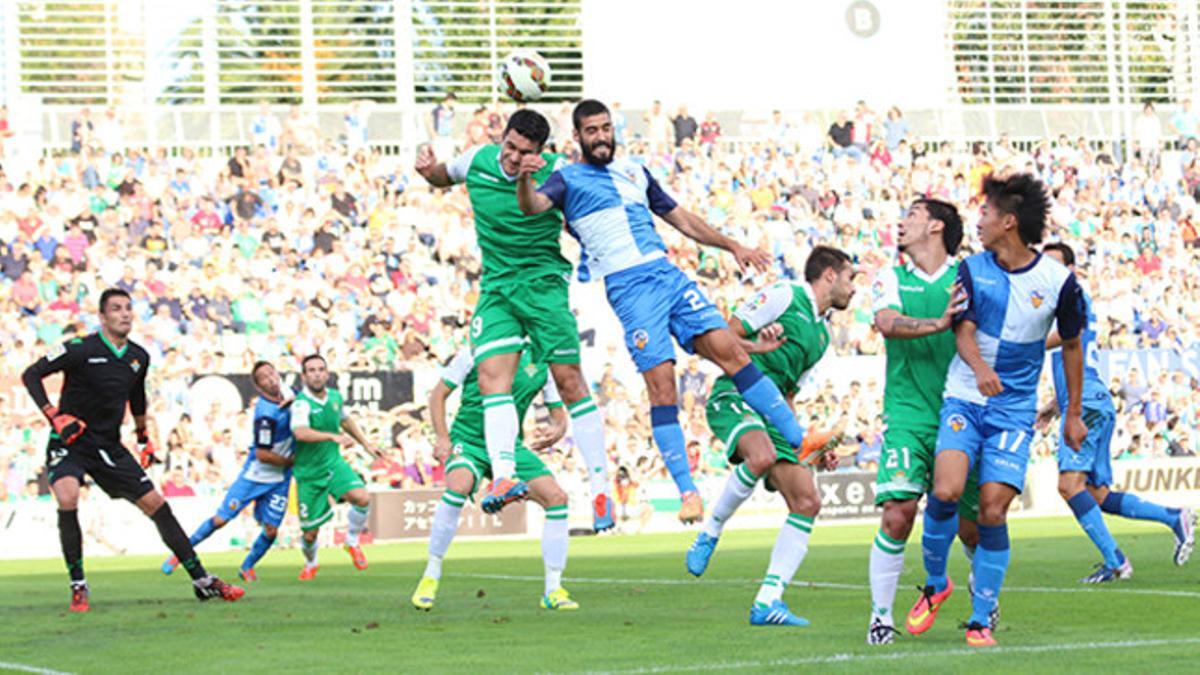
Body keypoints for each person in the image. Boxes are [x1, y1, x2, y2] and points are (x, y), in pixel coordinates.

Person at [517, 99, 820, 524]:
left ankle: (798, 440)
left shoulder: (636, 171)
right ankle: (688, 492)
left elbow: (682, 219)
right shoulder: (565, 179)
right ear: (578, 137)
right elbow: (532, 207)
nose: (601, 136)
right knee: (663, 389)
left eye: (606, 128)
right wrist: (525, 181)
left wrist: (733, 245)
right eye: (592, 131)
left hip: (667, 274)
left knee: (733, 353)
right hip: (629, 288)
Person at [906, 174, 1087, 648]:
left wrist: (1072, 413)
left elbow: (1071, 345)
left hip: (1013, 410)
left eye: (985, 213)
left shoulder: (1059, 283)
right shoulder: (972, 269)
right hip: (966, 395)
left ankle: (981, 617)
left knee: (991, 510)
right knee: (944, 490)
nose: (978, 221)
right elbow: (962, 331)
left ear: (1009, 221)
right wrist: (981, 368)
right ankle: (936, 583)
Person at [414, 109, 613, 531]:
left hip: (543, 285)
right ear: (501, 138)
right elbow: (440, 176)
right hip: (498, 287)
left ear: (540, 153)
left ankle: (601, 486)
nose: (513, 157)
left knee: (569, 379)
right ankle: (503, 475)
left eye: (524, 152)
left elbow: (541, 207)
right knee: (491, 377)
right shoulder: (478, 160)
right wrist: (427, 168)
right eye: (510, 147)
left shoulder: (558, 172)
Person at [21, 288, 243, 611]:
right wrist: (54, 415)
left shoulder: (139, 357)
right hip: (71, 441)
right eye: (116, 309)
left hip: (109, 445)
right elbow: (30, 374)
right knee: (67, 496)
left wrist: (143, 437)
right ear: (102, 316)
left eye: (128, 308)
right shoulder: (80, 348)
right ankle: (78, 584)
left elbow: (137, 397)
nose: (125, 314)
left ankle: (202, 580)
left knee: (156, 503)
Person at [685, 247, 854, 627]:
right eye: (850, 278)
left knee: (808, 501)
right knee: (758, 455)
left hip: (775, 413)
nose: (853, 289)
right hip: (736, 394)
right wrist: (757, 341)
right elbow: (724, 336)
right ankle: (709, 533)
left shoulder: (822, 336)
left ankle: (767, 602)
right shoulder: (784, 295)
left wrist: (805, 448)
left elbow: (789, 395)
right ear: (829, 275)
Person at [1038, 242, 1194, 579]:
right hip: (1090, 399)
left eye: (1053, 265)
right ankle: (1173, 517)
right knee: (1096, 493)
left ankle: (1116, 561)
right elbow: (1076, 356)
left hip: (1086, 404)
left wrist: (1022, 342)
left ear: (1070, 270)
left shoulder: (1071, 295)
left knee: (1069, 486)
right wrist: (1053, 406)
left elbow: (1072, 334)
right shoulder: (1062, 303)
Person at [864, 199, 966, 644]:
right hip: (907, 413)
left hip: (961, 411)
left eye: (911, 214)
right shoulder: (890, 277)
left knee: (974, 523)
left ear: (936, 226)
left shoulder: (968, 277)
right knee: (898, 513)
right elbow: (886, 322)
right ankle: (881, 616)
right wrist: (939, 322)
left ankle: (984, 608)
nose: (900, 222)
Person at [412, 345, 577, 611]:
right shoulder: (476, 351)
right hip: (469, 440)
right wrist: (442, 437)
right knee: (458, 486)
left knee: (557, 498)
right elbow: (438, 395)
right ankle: (431, 575)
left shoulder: (543, 362)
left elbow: (558, 413)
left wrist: (558, 430)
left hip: (511, 446)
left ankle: (553, 589)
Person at [160, 361, 296, 582]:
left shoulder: (290, 393)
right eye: (264, 377)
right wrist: (294, 460)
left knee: (271, 531)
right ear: (259, 387)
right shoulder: (265, 414)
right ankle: (180, 554)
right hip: (255, 475)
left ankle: (247, 567)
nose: (271, 378)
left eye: (273, 373)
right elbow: (263, 454)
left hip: (280, 479)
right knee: (221, 520)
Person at [291, 354, 382, 580]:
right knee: (310, 534)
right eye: (311, 370)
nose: (317, 374)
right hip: (308, 474)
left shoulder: (335, 397)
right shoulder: (301, 404)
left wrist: (366, 444)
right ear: (304, 376)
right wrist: (332, 437)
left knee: (362, 498)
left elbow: (345, 421)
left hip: (333, 464)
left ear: (327, 373)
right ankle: (311, 562)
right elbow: (300, 432)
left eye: (321, 369)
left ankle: (351, 541)